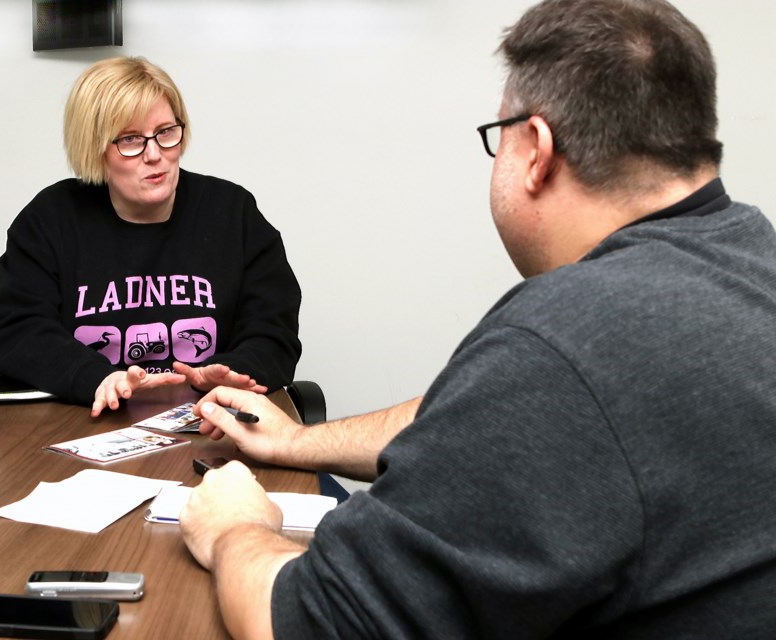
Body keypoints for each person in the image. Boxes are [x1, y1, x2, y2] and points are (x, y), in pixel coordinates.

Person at [178, 0, 776, 637]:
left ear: (537, 150)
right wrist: (297, 442)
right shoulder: (744, 260)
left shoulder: (561, 341)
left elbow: (307, 624)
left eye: (501, 138)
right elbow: (488, 420)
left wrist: (235, 528)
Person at [0, 57, 301, 417]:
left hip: (209, 417)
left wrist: (230, 373)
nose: (155, 155)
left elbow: (275, 331)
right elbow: (14, 333)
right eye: (131, 139)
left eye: (166, 132)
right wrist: (98, 378)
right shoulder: (50, 219)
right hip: (94, 419)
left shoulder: (232, 212)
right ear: (94, 146)